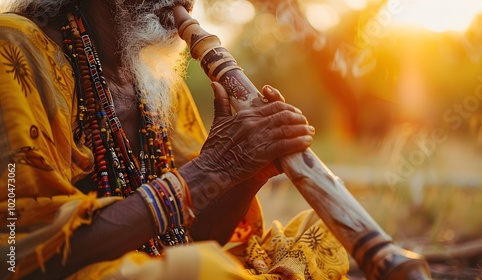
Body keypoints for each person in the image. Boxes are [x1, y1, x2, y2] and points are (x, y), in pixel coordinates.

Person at [0, 0, 349, 279]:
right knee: (203, 270)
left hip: (155, 266)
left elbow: (190, 239)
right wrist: (214, 168)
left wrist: (246, 173)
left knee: (326, 229)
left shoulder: (158, 83)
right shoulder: (14, 47)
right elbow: (18, 257)